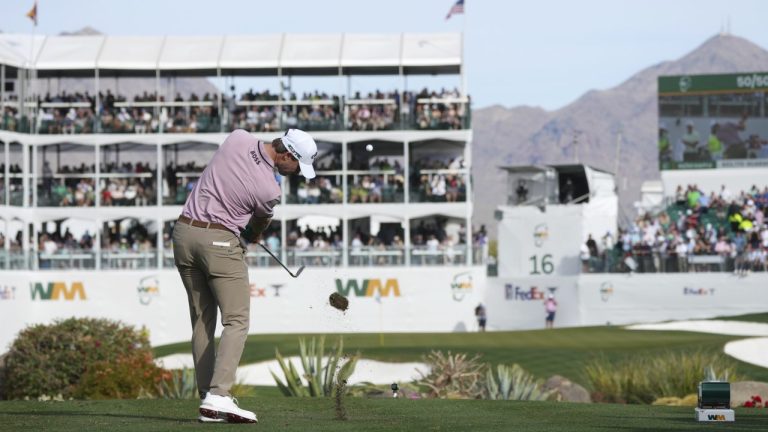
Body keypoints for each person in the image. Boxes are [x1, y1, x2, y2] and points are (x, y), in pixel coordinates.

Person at [173, 128, 317, 423]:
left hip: (183, 235)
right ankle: (219, 395)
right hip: (218, 244)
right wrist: (247, 237)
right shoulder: (270, 191)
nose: (297, 173)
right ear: (287, 154)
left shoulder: (237, 137)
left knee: (202, 320)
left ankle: (208, 398)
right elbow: (256, 227)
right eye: (297, 166)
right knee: (237, 320)